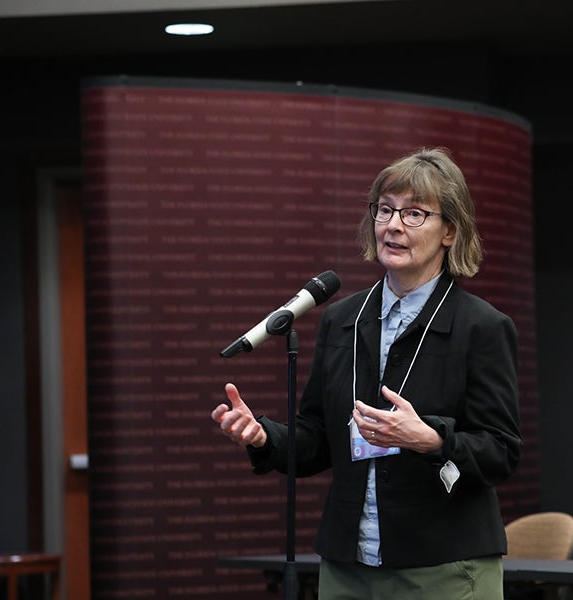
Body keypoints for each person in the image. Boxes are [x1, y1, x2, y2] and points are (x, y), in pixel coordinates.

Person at [211, 147, 521, 600]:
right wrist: (264, 437)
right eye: (385, 209)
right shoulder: (343, 319)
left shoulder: (482, 327)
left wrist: (431, 439)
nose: (393, 225)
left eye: (414, 214)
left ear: (450, 231)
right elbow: (317, 437)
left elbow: (501, 450)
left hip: (443, 564)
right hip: (348, 563)